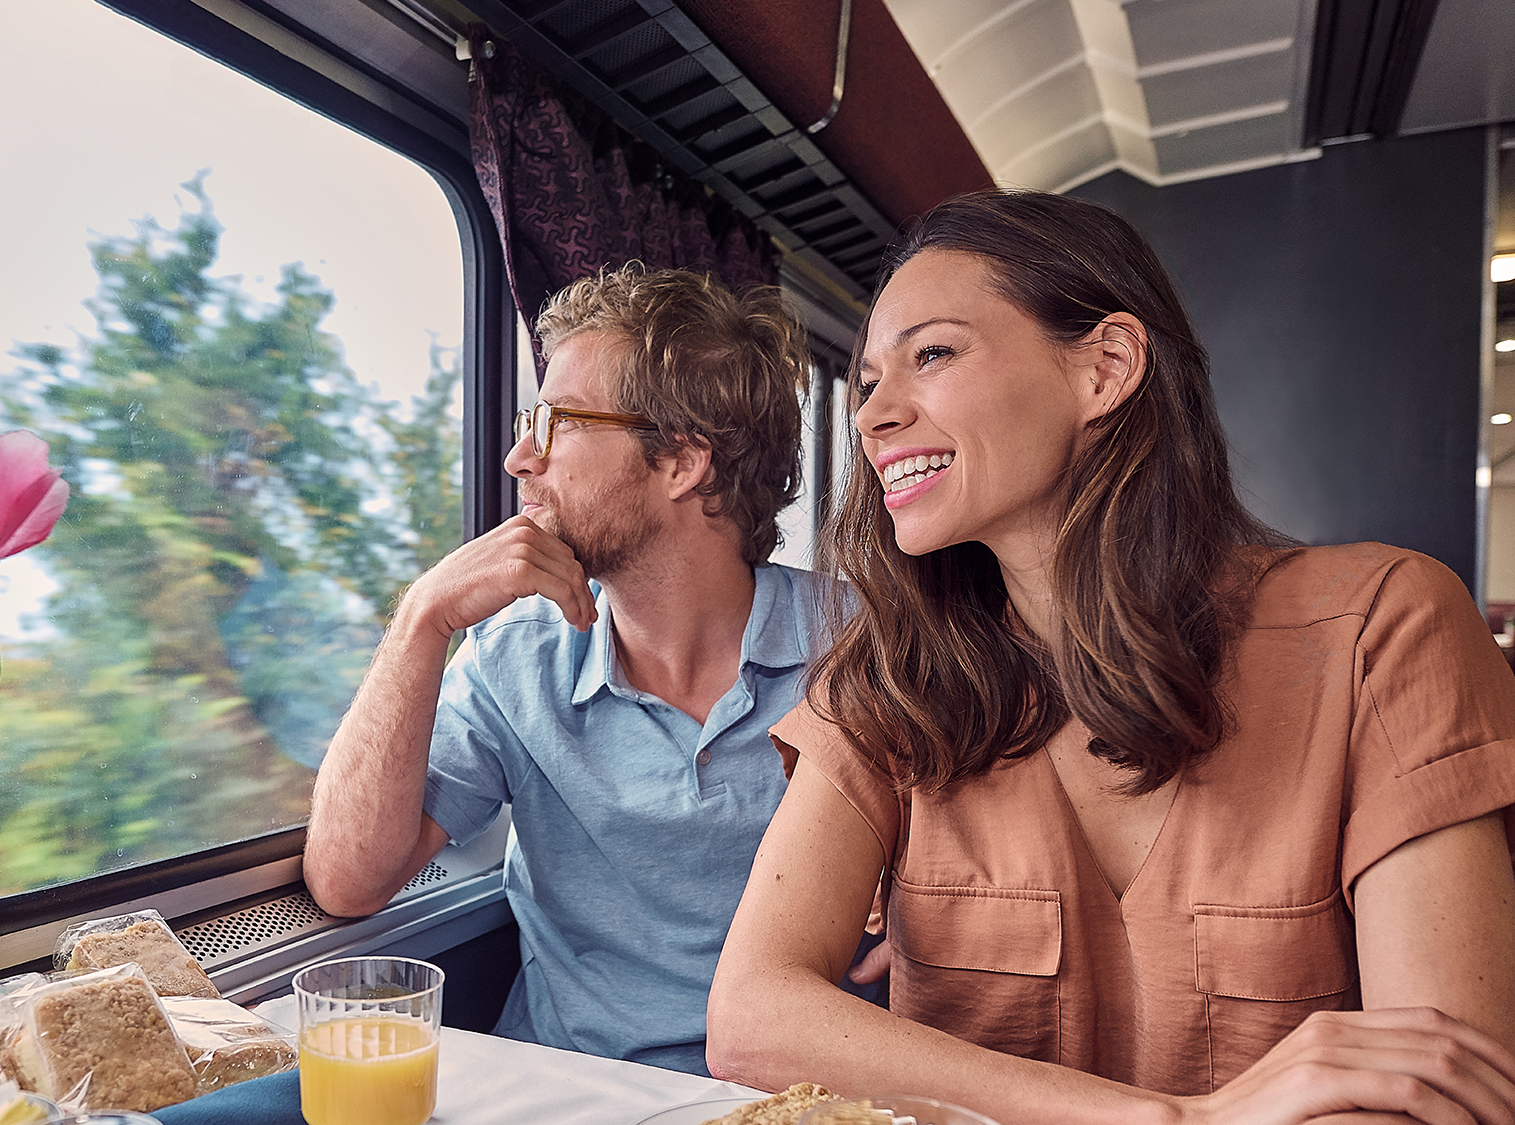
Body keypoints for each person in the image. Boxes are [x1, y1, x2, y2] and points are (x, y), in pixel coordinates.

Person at [705, 190, 1515, 1123]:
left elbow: (1441, 1088)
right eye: (870, 378)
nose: (873, 413)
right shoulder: (887, 678)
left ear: (1107, 367)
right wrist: (1178, 1118)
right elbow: (752, 1014)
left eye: (930, 354)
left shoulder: (1386, 626)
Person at [304, 264, 820, 1076]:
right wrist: (421, 620)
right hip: (569, 1086)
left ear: (683, 461)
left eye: (557, 422)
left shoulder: (865, 649)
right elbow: (347, 880)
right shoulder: (515, 659)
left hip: (794, 1093)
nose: (518, 459)